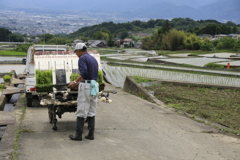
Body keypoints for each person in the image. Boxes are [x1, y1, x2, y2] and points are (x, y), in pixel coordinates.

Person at [68, 43, 98, 141]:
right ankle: (90, 134)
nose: (76, 54)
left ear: (79, 51)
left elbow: (84, 73)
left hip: (86, 85)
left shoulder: (82, 58)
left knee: (81, 110)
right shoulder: (93, 58)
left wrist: (75, 82)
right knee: (91, 110)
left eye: (76, 52)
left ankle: (78, 135)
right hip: (94, 85)